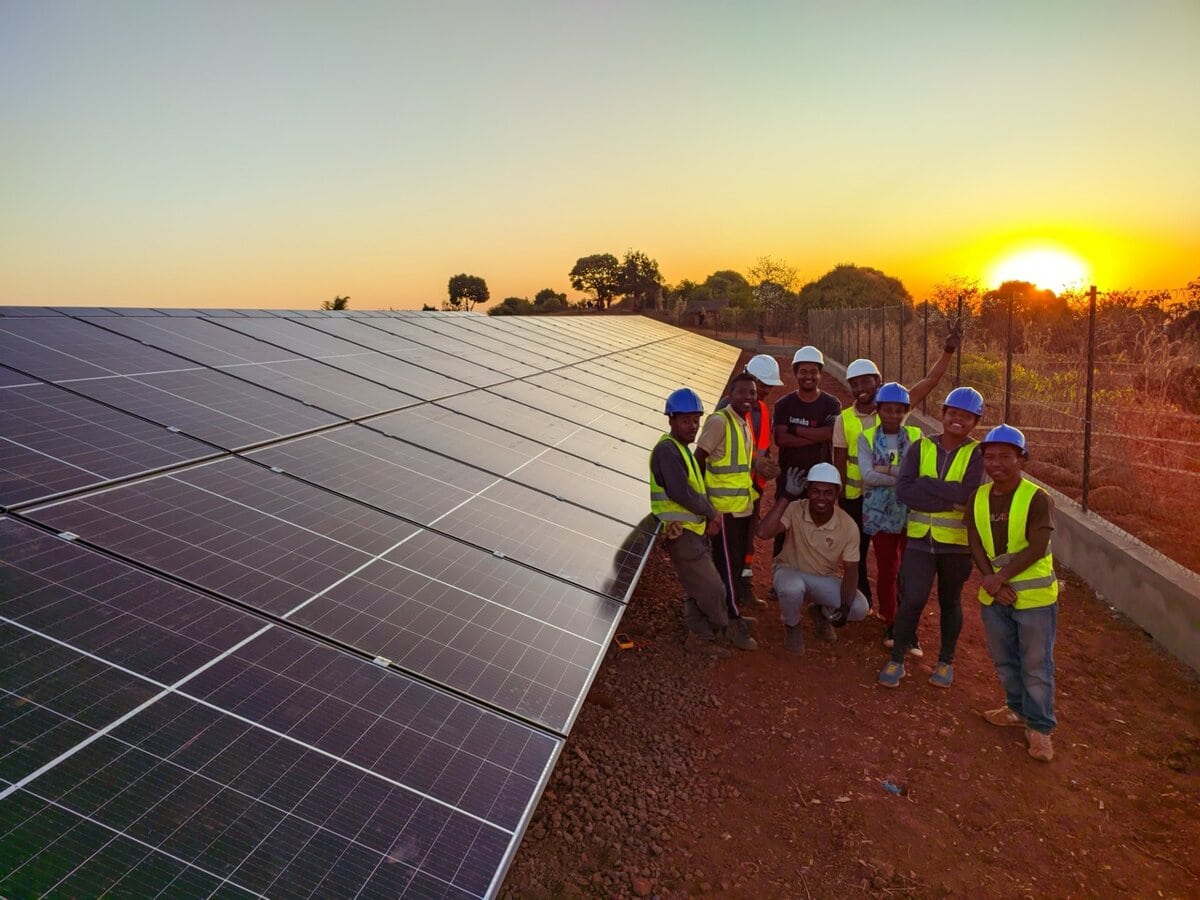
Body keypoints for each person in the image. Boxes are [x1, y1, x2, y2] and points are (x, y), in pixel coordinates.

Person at [831, 323, 963, 608]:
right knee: (857, 551)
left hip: (892, 500)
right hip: (855, 498)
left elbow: (929, 382)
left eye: (866, 381)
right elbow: (839, 457)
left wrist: (948, 352)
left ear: (878, 382)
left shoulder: (892, 410)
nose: (860, 388)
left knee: (891, 558)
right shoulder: (844, 418)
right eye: (854, 383)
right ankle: (861, 599)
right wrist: (839, 494)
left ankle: (893, 609)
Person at [878, 386, 985, 689]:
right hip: (920, 540)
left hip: (956, 545)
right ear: (943, 414)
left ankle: (945, 662)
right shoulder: (920, 447)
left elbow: (969, 494)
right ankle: (897, 659)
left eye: (966, 416)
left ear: (975, 422)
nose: (958, 420)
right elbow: (904, 491)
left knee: (950, 602)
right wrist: (949, 500)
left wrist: (928, 484)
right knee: (912, 599)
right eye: (953, 413)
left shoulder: (977, 453)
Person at [967, 424, 1059, 762]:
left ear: (1022, 458)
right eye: (989, 457)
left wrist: (1000, 578)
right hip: (995, 596)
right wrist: (991, 580)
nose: (996, 464)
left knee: (1036, 665)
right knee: (1005, 658)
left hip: (1033, 599)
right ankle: (1015, 709)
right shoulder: (978, 497)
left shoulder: (1037, 498)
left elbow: (1038, 546)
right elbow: (975, 540)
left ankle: (1040, 728)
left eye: (1005, 457)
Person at [649, 387, 732, 658]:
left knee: (697, 585)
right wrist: (711, 512)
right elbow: (680, 491)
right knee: (712, 588)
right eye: (686, 420)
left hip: (692, 531)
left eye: (696, 420)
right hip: (681, 534)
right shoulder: (668, 450)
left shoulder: (681, 449)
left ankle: (700, 631)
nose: (693, 426)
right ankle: (706, 635)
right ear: (671, 420)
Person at [756, 462, 869, 656]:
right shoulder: (794, 508)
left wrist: (844, 606)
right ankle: (792, 626)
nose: (821, 498)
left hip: (822, 579)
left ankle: (821, 614)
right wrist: (786, 496)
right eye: (815, 491)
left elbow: (851, 571)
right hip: (789, 571)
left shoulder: (848, 526)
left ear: (836, 494)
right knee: (791, 588)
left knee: (859, 608)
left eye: (828, 492)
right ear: (807, 491)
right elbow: (763, 532)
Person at [694, 372, 761, 651]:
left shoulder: (743, 423)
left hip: (739, 508)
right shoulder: (720, 421)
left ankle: (727, 611)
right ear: (730, 395)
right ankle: (731, 621)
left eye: (752, 393)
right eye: (743, 393)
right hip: (722, 512)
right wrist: (706, 508)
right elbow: (699, 459)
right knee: (724, 567)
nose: (748, 398)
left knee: (732, 566)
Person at [857, 382, 923, 647]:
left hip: (909, 513)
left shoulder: (916, 438)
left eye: (899, 410)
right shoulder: (866, 437)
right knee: (887, 569)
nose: (893, 415)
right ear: (878, 410)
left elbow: (916, 475)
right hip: (879, 514)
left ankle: (908, 625)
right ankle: (891, 621)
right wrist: (902, 476)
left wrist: (885, 471)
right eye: (888, 410)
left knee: (909, 570)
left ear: (906, 411)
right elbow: (867, 475)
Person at [716, 354, 783, 606]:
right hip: (730, 491)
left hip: (753, 488)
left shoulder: (765, 410)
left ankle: (743, 587)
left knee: (747, 542)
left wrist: (767, 462)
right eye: (761, 384)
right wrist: (755, 461)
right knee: (729, 544)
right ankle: (727, 592)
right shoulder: (727, 408)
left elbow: (762, 444)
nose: (765, 390)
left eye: (767, 386)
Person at [772, 346, 841, 558]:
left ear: (820, 373)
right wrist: (815, 433)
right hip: (789, 476)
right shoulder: (784, 404)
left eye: (813, 371)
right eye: (803, 371)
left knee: (816, 526)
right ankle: (779, 570)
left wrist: (795, 429)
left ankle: (813, 572)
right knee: (784, 524)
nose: (808, 376)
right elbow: (781, 438)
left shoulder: (831, 404)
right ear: (795, 373)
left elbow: (830, 434)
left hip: (819, 480)